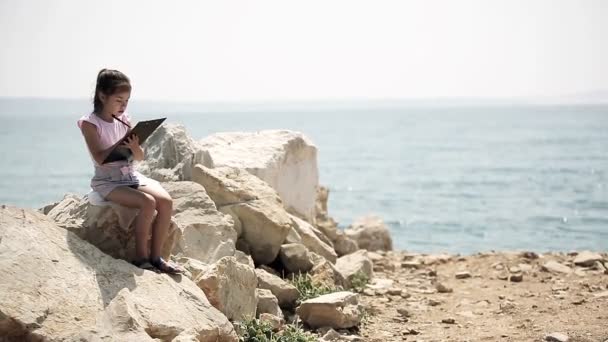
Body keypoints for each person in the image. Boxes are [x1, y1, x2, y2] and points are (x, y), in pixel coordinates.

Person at [78, 69, 183, 274]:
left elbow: (140, 157)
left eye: (126, 101)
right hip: (107, 181)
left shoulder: (124, 119)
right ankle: (141, 257)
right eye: (119, 100)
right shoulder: (89, 124)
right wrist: (120, 145)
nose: (123, 106)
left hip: (130, 176)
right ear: (102, 96)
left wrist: (134, 148)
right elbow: (100, 158)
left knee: (166, 202)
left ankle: (157, 257)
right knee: (147, 203)